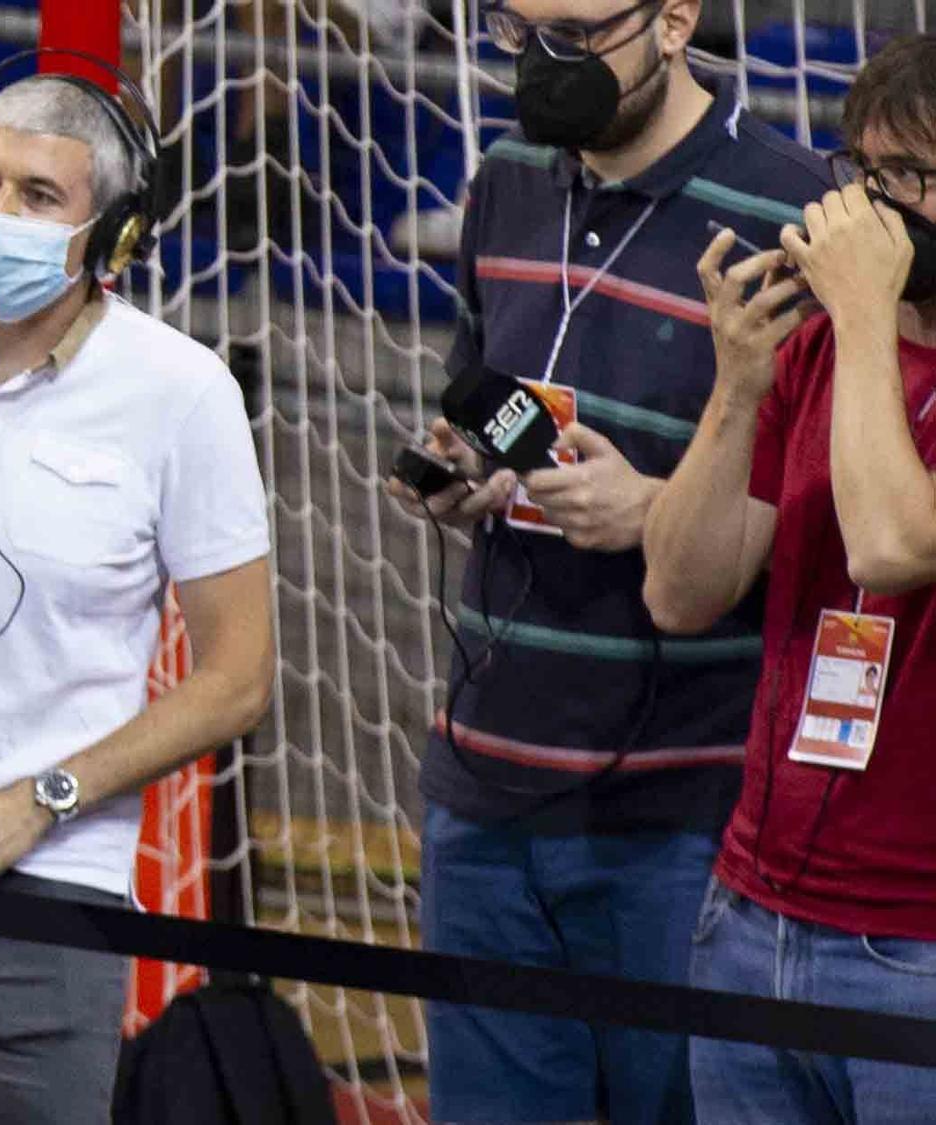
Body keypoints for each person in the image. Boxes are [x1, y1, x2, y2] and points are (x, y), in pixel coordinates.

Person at [378, 0, 832, 1119]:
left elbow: (838, 514)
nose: (541, 63)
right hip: (482, 785)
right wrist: (470, 468)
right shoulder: (506, 177)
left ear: (673, 20)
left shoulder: (795, 210)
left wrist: (655, 509)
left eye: (574, 36)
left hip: (684, 811)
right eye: (512, 29)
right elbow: (489, 391)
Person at [0, 71, 275, 1123]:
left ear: (113, 238)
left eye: (37, 197)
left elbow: (235, 680)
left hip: (50, 866)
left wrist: (39, 806)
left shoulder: (179, 393)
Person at [645, 32, 936, 1120]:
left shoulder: (847, 340)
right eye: (860, 173)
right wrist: (733, 389)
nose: (870, 212)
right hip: (750, 915)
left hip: (916, 947)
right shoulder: (818, 356)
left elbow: (891, 546)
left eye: (908, 179)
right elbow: (678, 591)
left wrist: (862, 317)